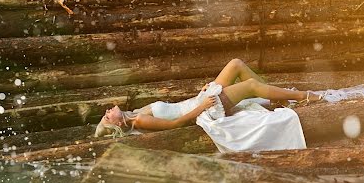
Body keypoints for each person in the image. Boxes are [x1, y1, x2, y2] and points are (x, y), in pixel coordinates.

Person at [95, 58, 323, 138]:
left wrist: (200, 93)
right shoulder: (140, 121)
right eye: (107, 117)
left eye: (106, 113)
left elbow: (176, 107)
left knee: (236, 64)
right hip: (207, 109)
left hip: (199, 101)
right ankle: (304, 96)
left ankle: (275, 96)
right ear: (117, 124)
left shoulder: (139, 111)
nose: (108, 111)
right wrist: (203, 104)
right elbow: (177, 122)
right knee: (250, 85)